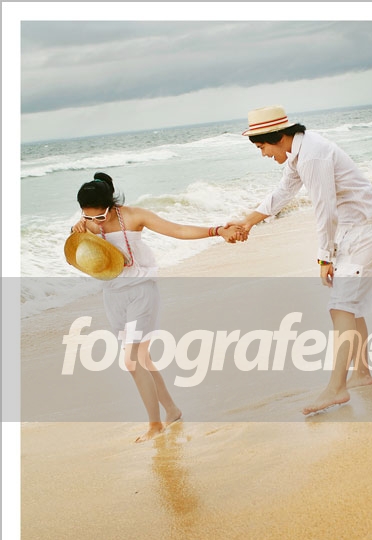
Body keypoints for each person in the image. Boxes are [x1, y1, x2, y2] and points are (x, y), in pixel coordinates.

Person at [230, 105, 372, 415]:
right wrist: (247, 222)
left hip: (364, 233)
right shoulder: (299, 152)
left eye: (262, 146)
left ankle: (337, 388)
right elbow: (283, 193)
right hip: (358, 231)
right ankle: (361, 373)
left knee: (341, 307)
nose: (263, 154)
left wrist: (324, 258)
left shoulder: (313, 156)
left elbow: (325, 209)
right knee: (350, 307)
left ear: (277, 137)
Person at [69, 172, 247, 442]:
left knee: (131, 360)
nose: (96, 222)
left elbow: (178, 230)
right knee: (143, 359)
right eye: (88, 216)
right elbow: (79, 254)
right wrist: (77, 232)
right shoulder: (88, 224)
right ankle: (172, 411)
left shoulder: (134, 216)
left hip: (141, 292)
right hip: (113, 295)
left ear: (111, 204)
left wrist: (217, 230)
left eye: (100, 216)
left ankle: (155, 425)